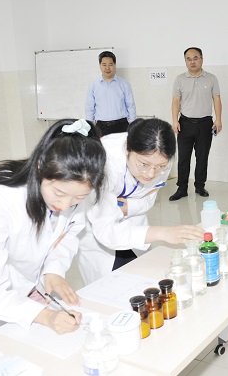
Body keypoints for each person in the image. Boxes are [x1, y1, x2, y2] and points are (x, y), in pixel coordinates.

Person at [0, 119, 106, 353]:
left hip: (18, 281)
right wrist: (46, 316)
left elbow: (69, 233)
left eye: (78, 198)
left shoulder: (73, 187)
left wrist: (53, 271)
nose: (65, 205)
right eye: (59, 193)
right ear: (41, 166)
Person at [78, 118, 205, 284]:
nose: (151, 174)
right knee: (112, 287)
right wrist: (163, 233)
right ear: (127, 149)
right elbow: (106, 230)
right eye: (144, 164)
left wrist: (128, 207)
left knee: (145, 279)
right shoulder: (103, 162)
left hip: (135, 227)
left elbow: (148, 201)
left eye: (160, 167)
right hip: (99, 239)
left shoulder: (161, 159)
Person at [169, 47, 222, 200]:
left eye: (195, 58)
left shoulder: (211, 78)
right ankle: (182, 189)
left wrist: (218, 119)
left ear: (202, 59)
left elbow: (217, 99)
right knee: (183, 159)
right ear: (185, 61)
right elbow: (175, 101)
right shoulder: (179, 79)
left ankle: (200, 186)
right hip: (185, 124)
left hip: (205, 124)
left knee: (202, 157)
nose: (192, 62)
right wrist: (174, 120)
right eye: (189, 59)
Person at [85, 50, 137, 136]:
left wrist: (132, 125)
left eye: (110, 64)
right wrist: (90, 127)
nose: (107, 68)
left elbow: (130, 106)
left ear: (115, 65)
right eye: (104, 65)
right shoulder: (93, 85)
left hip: (122, 125)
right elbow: (90, 108)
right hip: (101, 127)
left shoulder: (124, 84)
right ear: (100, 66)